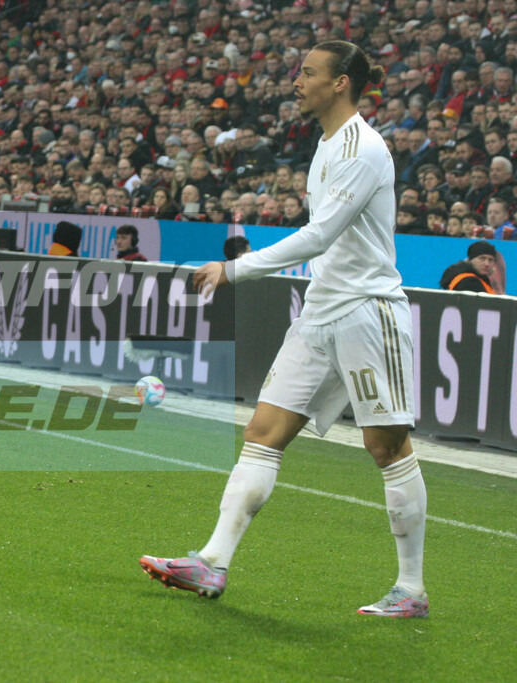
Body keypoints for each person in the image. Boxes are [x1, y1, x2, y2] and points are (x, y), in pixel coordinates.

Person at [140, 41, 428, 618]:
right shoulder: (326, 145)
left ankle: (411, 589)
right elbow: (324, 240)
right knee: (263, 431)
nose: (296, 81)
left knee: (387, 446)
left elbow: (319, 236)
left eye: (308, 73)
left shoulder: (361, 147)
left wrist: (236, 268)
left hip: (369, 311)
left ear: (341, 82)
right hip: (322, 309)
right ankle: (212, 563)